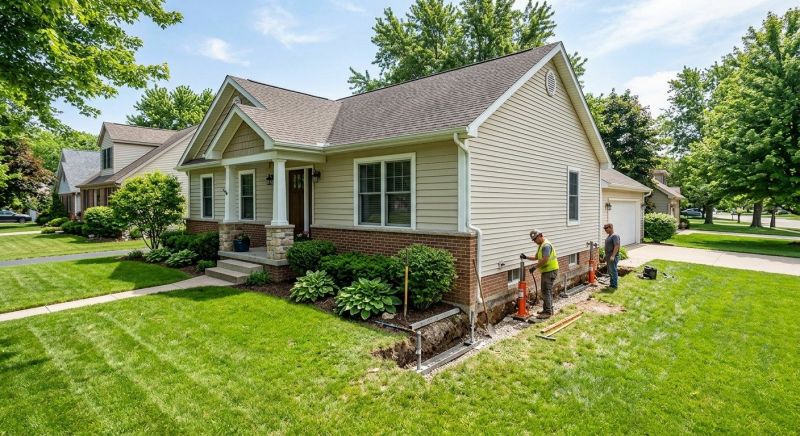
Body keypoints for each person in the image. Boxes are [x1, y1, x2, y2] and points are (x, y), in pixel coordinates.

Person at [520, 229, 559, 319]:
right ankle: (546, 309)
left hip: (550, 271)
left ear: (540, 235)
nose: (534, 241)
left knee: (546, 291)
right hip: (547, 271)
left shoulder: (546, 246)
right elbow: (536, 257)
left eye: (535, 239)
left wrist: (534, 267)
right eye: (533, 240)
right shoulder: (541, 245)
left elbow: (545, 259)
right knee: (545, 291)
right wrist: (526, 257)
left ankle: (548, 312)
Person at [603, 223, 621, 289]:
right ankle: (611, 284)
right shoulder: (609, 236)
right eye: (604, 228)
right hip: (608, 256)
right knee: (610, 271)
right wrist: (605, 255)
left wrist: (613, 256)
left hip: (612, 257)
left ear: (611, 227)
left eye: (606, 228)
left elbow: (617, 245)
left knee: (613, 271)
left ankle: (614, 286)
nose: (605, 230)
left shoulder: (615, 236)